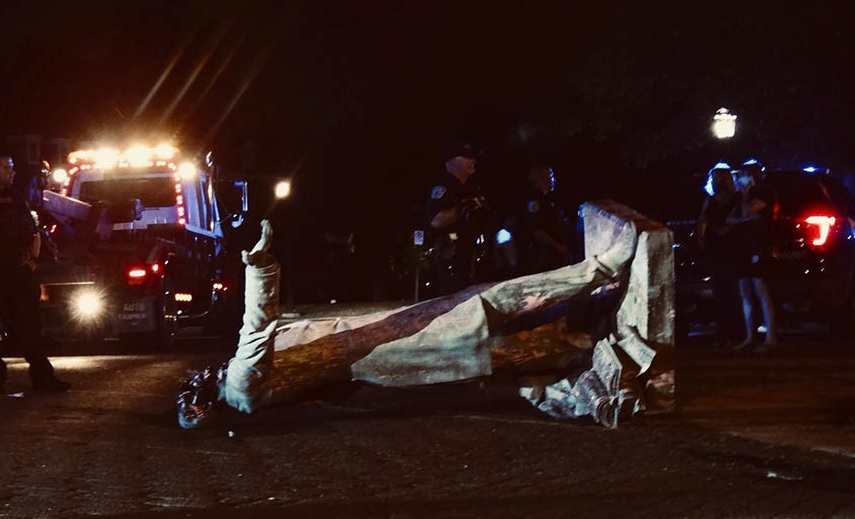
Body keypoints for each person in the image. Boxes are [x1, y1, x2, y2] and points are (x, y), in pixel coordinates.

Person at [0, 155, 70, 393]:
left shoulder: (16, 197)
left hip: (19, 271)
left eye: (11, 167)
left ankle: (43, 378)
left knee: (30, 325)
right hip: (6, 268)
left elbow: (31, 225)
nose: (11, 172)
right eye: (5, 168)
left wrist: (41, 245)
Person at [425, 143, 489, 296]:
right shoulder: (443, 187)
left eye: (473, 157)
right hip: (450, 254)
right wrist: (466, 206)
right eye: (467, 157)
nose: (473, 160)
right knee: (454, 297)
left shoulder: (471, 187)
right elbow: (436, 221)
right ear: (452, 161)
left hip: (470, 254)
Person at [731, 158, 778, 352]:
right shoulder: (744, 195)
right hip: (744, 247)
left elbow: (747, 211)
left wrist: (744, 197)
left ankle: (770, 337)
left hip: (759, 247)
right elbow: (733, 218)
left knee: (761, 290)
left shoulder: (763, 192)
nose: (741, 178)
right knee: (745, 291)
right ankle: (749, 336)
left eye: (745, 174)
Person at [696, 162, 743, 346]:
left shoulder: (736, 198)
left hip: (731, 249)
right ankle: (724, 332)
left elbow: (740, 218)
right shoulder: (711, 200)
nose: (715, 182)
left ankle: (736, 332)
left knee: (733, 291)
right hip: (716, 249)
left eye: (718, 178)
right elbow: (703, 221)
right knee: (721, 292)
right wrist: (702, 239)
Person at [518, 164, 575, 274]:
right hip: (544, 256)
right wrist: (558, 247)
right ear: (541, 178)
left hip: (554, 253)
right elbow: (536, 230)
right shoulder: (534, 201)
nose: (553, 179)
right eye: (550, 176)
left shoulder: (547, 199)